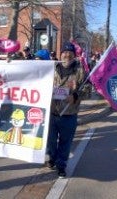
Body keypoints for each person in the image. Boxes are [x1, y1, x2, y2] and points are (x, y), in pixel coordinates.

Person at [46, 42, 90, 178]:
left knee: (65, 143)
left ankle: (61, 165)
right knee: (51, 141)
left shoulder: (80, 70)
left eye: (70, 53)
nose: (67, 55)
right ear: (60, 54)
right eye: (64, 52)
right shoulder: (51, 68)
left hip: (69, 114)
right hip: (52, 113)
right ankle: (52, 158)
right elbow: (31, 74)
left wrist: (76, 95)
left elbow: (88, 89)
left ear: (74, 55)